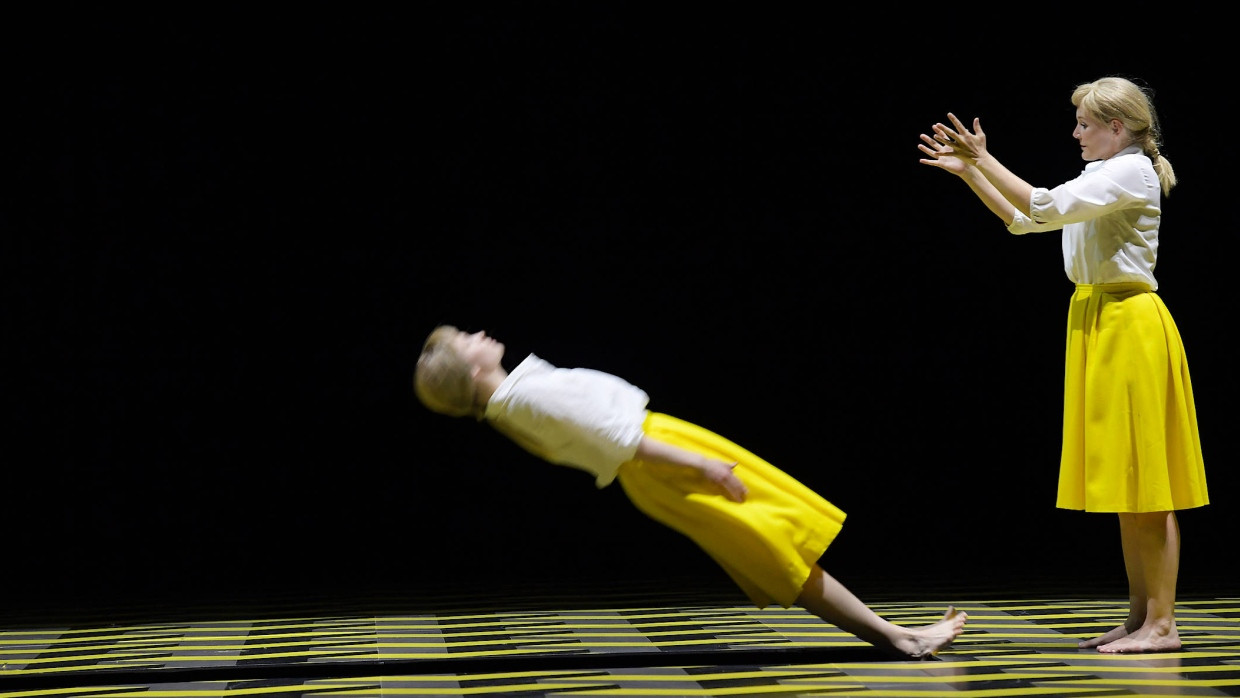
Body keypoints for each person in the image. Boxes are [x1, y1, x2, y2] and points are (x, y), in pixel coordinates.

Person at [413, 324, 968, 659]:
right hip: (661, 458)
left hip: (660, 452)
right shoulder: (525, 400)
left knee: (779, 548)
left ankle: (896, 637)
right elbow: (619, 439)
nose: (476, 335)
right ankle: (900, 639)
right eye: (465, 342)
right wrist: (701, 464)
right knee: (776, 551)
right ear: (467, 371)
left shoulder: (515, 399)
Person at [917, 76, 1208, 654]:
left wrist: (985, 157)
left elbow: (1041, 203)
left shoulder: (1129, 170)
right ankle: (1139, 617)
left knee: (1149, 487)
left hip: (1130, 323)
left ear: (1117, 128)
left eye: (1084, 124)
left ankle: (1164, 624)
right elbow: (1032, 221)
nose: (1075, 133)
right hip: (1098, 321)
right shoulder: (1101, 174)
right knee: (1127, 488)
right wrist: (972, 173)